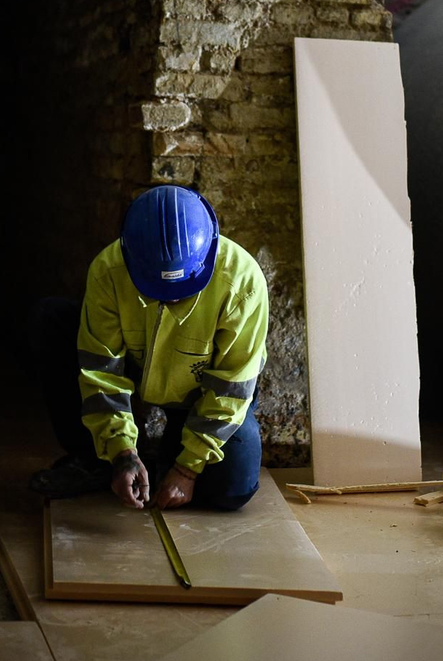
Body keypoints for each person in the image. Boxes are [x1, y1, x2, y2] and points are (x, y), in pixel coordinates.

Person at [29, 185, 268, 511]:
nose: (170, 298)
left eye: (183, 288)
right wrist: (121, 451)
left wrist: (187, 468)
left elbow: (231, 386)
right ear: (130, 258)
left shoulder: (243, 281)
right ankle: (97, 459)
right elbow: (101, 372)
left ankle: (172, 450)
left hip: (203, 394)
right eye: (157, 288)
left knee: (231, 491)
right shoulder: (108, 271)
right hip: (137, 377)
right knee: (54, 318)